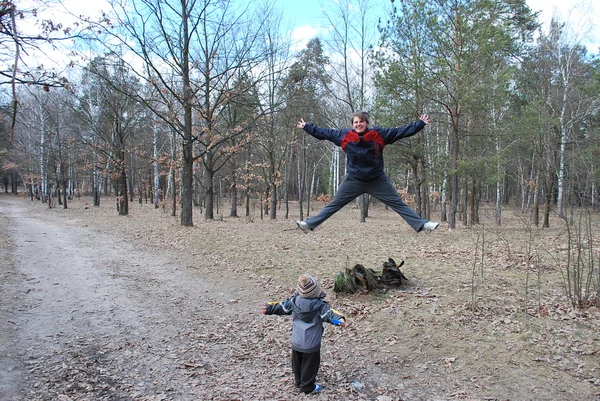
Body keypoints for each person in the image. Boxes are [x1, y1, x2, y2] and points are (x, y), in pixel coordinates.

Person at [295, 111, 439, 234]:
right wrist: (307, 127)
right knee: (335, 204)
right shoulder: (344, 136)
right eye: (356, 122)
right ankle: (309, 225)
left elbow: (400, 132)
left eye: (361, 122)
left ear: (366, 123)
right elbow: (324, 133)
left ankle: (423, 225)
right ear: (352, 124)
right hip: (354, 180)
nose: (359, 124)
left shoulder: (379, 134)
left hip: (377, 180)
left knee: (397, 203)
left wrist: (420, 124)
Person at [262, 274, 347, 394]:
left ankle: (298, 381)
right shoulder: (320, 306)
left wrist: (269, 308)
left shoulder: (294, 301)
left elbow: (281, 306)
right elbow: (330, 314)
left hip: (296, 341)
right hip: (311, 344)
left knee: (297, 363)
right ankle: (307, 387)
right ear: (317, 291)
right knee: (310, 366)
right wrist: (340, 319)